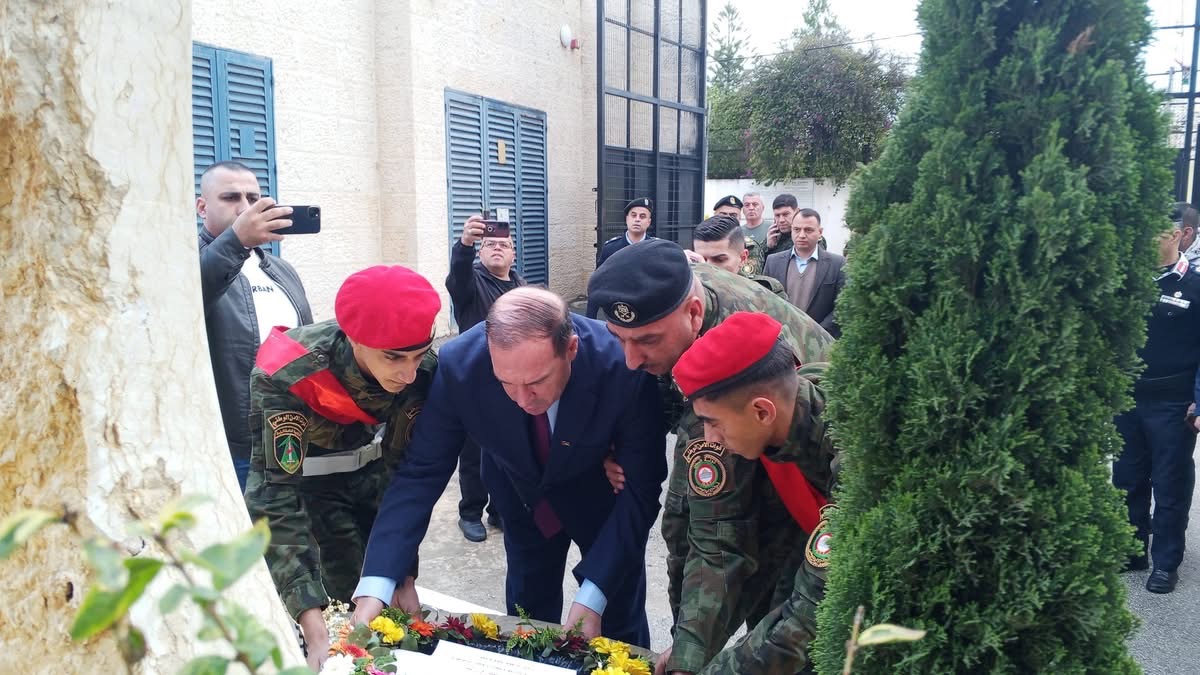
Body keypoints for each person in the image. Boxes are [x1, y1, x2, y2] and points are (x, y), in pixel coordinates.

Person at [352, 288, 667, 647]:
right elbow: (420, 472)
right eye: (505, 383)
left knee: (617, 618)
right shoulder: (461, 366)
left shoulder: (621, 363)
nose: (521, 400)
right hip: (521, 498)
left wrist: (592, 597)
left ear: (571, 349)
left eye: (536, 382)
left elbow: (641, 489)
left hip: (602, 502)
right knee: (527, 620)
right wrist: (377, 583)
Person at [588, 240, 834, 673]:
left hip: (819, 489)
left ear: (695, 314)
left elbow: (724, 540)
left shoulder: (739, 368)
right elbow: (708, 534)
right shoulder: (671, 296)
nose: (630, 360)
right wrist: (689, 653)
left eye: (646, 341)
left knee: (795, 621)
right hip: (790, 447)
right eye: (618, 339)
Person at [245, 266, 440, 670]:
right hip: (311, 489)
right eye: (393, 357)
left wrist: (403, 571)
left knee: (388, 611)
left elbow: (402, 470)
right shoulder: (290, 372)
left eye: (419, 355)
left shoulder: (421, 369)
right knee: (337, 613)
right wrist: (311, 622)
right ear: (354, 339)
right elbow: (274, 494)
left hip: (374, 477)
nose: (408, 374)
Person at [662, 311, 838, 674]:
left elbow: (813, 610)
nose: (709, 439)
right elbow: (717, 542)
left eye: (712, 423)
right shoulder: (771, 424)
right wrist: (687, 658)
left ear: (762, 411)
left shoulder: (853, 446)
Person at [197, 160, 312, 491]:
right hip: (230, 443)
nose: (245, 208)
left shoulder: (281, 269)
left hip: (289, 434)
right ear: (202, 207)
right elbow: (192, 293)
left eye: (253, 198)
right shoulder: (185, 263)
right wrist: (236, 241)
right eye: (230, 197)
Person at [1113, 216, 1200, 594]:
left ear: (1179, 235)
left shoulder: (1194, 285)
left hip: (1173, 403)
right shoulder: (1128, 283)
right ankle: (1134, 550)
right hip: (1129, 397)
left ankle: (1166, 562)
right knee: (1128, 477)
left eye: (1158, 232)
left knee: (1170, 484)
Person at [445, 214, 528, 542]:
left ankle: (499, 510)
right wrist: (465, 243)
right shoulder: (471, 283)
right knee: (474, 452)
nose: (497, 248)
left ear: (513, 254)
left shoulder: (522, 287)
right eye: (490, 244)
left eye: (503, 245)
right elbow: (458, 275)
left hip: (515, 382)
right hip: (477, 381)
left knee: (508, 449)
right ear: (480, 252)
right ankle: (470, 513)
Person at [764, 207, 846, 337]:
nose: (801, 235)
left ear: (820, 232)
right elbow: (765, 301)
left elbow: (841, 306)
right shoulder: (773, 262)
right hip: (781, 338)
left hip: (821, 339)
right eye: (797, 229)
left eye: (808, 230)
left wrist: (817, 333)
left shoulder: (837, 264)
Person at [589, 198, 657, 318]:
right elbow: (598, 282)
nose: (637, 219)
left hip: (647, 312)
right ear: (627, 219)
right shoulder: (611, 248)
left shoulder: (656, 249)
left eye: (642, 216)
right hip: (618, 310)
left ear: (648, 222)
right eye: (633, 215)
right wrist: (590, 318)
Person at [690, 215, 785, 299]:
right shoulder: (689, 292)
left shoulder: (766, 293)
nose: (707, 267)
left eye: (719, 260)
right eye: (699, 260)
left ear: (743, 258)